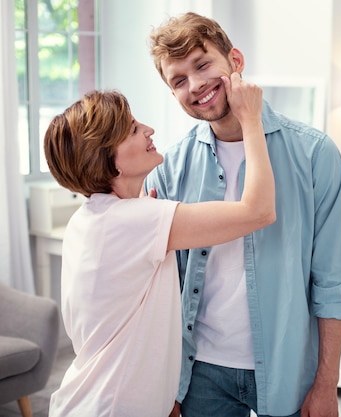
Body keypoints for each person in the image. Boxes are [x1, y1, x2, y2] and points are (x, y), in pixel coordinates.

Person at [145, 12, 341, 417]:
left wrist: (327, 383)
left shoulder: (315, 154)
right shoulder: (169, 167)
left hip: (288, 367)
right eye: (179, 80)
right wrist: (166, 385)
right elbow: (162, 288)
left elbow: (333, 282)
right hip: (199, 373)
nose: (196, 86)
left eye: (203, 65)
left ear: (235, 60)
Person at [45, 79, 275, 417]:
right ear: (111, 160)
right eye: (134, 129)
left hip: (95, 400)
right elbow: (258, 211)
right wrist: (251, 120)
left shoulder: (91, 218)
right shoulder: (137, 221)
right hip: (112, 406)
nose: (149, 130)